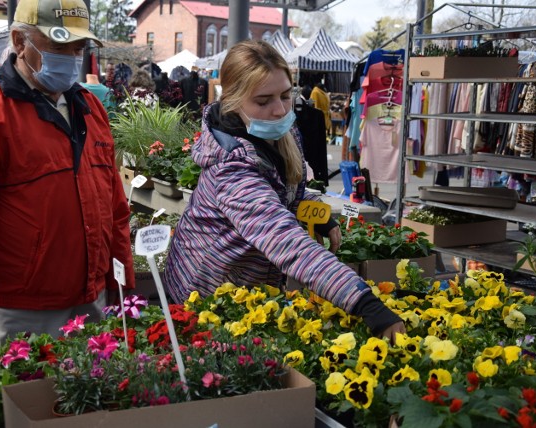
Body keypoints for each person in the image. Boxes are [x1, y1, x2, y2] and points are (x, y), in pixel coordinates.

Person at [0, 0, 135, 355]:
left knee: (94, 404)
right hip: (19, 310)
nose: (71, 57)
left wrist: (122, 279)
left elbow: (114, 205)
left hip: (92, 299)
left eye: (78, 47)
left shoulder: (89, 107)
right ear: (20, 42)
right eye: (58, 46)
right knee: (13, 405)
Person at [163, 40, 405, 342]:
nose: (279, 110)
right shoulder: (231, 169)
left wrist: (314, 211)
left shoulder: (281, 132)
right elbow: (286, 242)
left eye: (286, 95)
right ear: (233, 101)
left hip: (247, 288)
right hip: (205, 296)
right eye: (263, 101)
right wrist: (366, 305)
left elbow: (285, 187)